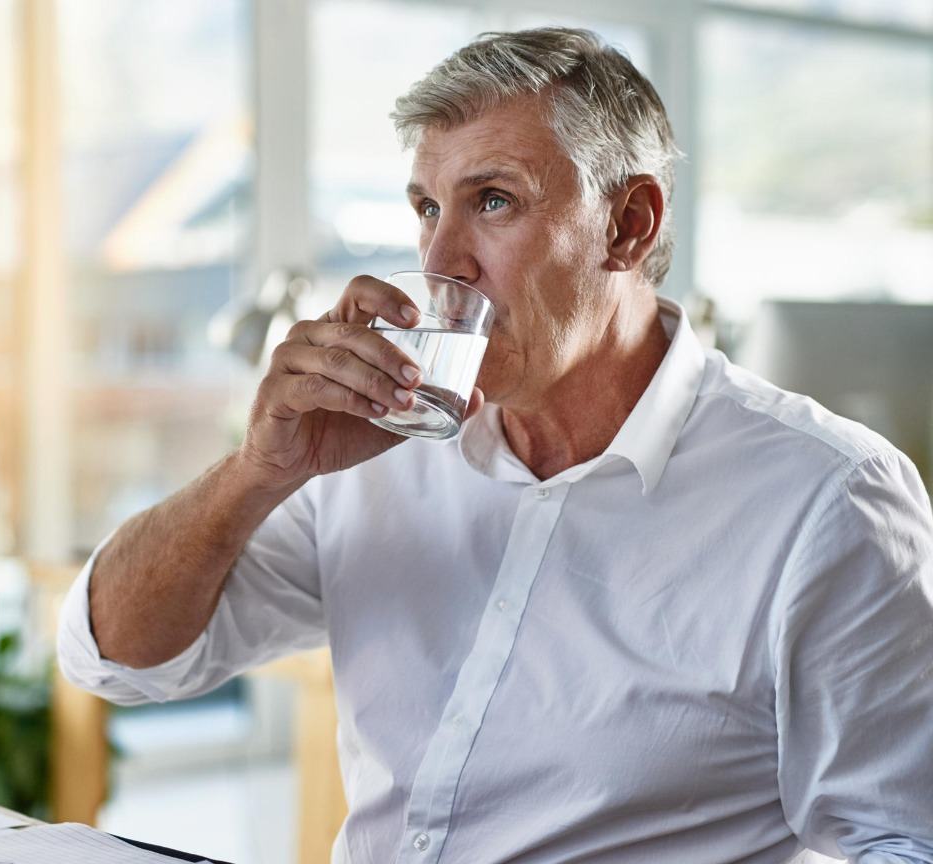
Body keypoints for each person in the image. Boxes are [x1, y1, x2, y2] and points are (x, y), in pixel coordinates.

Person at [58, 28, 933, 864]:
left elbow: (911, 839)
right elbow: (117, 659)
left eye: (494, 201)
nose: (442, 259)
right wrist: (258, 472)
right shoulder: (380, 446)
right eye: (426, 208)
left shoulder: (828, 501)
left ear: (627, 225)